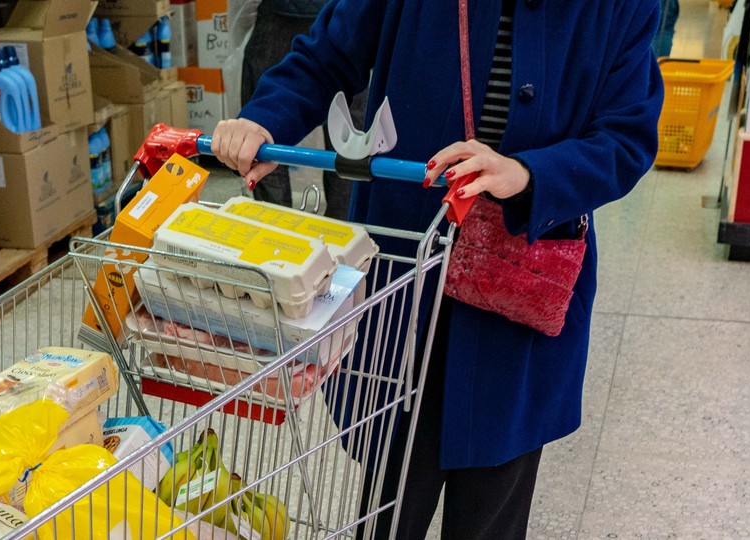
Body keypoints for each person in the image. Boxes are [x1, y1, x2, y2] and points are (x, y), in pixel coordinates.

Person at [212, 0, 664, 537]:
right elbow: (328, 52)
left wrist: (526, 173)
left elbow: (626, 137)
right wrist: (266, 119)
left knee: (493, 493)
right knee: (391, 488)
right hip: (408, 268)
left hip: (520, 281)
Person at [241, 0, 367, 219]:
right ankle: (345, 232)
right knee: (351, 140)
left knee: (262, 133)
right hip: (347, 17)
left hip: (282, 16)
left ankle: (275, 227)